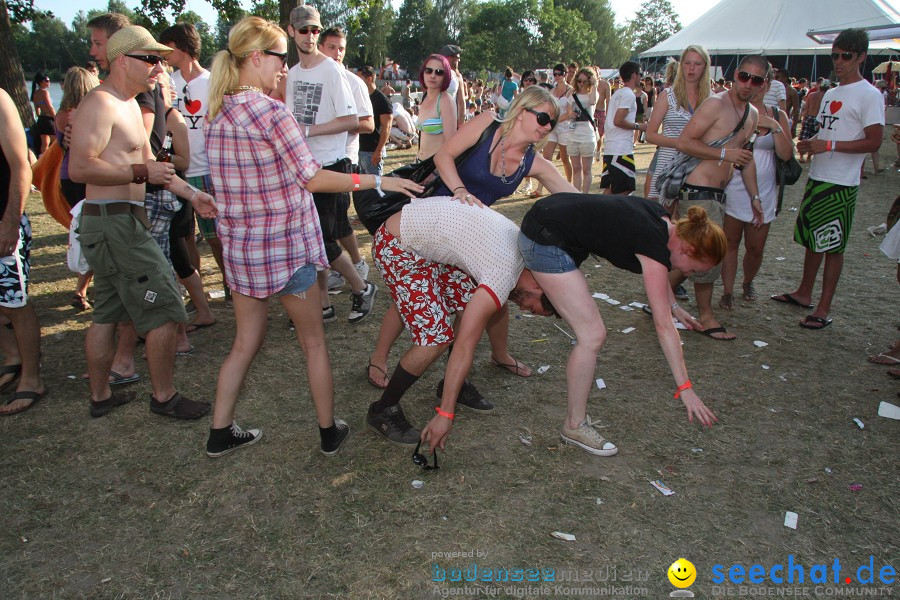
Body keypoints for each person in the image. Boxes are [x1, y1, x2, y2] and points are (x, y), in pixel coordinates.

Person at [202, 16, 423, 457]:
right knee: (313, 343)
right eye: (280, 58)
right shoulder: (271, 112)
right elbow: (312, 178)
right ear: (257, 58)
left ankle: (219, 432)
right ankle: (328, 431)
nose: (285, 68)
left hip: (244, 250)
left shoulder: (215, 112)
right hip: (285, 249)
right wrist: (377, 182)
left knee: (244, 343)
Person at [366, 86, 578, 388]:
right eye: (543, 118)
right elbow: (444, 156)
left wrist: (608, 213)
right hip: (430, 222)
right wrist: (460, 190)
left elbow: (573, 197)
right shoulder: (488, 124)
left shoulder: (533, 162)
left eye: (552, 123)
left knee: (482, 301)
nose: (546, 127)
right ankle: (379, 357)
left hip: (470, 239)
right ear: (521, 111)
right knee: (411, 299)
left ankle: (489, 360)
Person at [68, 25, 218, 419]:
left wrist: (193, 195)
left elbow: (155, 171)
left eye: (160, 59)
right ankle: (165, 397)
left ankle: (101, 397)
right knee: (168, 307)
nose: (159, 66)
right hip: (113, 222)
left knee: (108, 311)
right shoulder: (101, 104)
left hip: (119, 221)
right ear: (122, 61)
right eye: (150, 58)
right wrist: (139, 172)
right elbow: (81, 166)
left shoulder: (131, 105)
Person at [518, 194, 725, 453]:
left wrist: (673, 306)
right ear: (688, 249)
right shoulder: (653, 243)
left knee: (592, 334)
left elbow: (661, 275)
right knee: (592, 335)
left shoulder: (662, 220)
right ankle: (574, 425)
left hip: (549, 221)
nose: (688, 274)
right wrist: (685, 388)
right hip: (544, 239)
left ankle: (575, 422)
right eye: (693, 269)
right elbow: (663, 326)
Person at [368, 198, 556, 448]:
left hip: (429, 243)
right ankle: (383, 409)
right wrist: (445, 414)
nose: (522, 308)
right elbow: (466, 344)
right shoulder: (502, 274)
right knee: (435, 339)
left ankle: (452, 383)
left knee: (471, 308)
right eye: (530, 306)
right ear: (537, 286)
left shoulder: (527, 257)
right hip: (398, 245)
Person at [774, 28, 884, 330]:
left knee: (833, 245)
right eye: (835, 55)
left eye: (846, 56)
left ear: (861, 56)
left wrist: (829, 145)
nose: (839, 61)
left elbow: (874, 141)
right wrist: (812, 143)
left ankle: (823, 307)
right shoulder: (832, 93)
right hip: (821, 175)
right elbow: (832, 132)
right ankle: (804, 293)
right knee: (813, 240)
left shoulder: (870, 95)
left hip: (842, 183)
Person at [285, 5, 377, 325]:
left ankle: (362, 287)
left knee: (323, 240)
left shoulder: (332, 71)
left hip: (332, 165)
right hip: (303, 168)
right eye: (303, 30)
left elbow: (354, 120)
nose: (309, 36)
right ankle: (323, 304)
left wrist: (309, 130)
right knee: (313, 240)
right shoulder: (292, 74)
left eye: (314, 30)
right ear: (291, 32)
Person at [668, 55, 766, 342]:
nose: (748, 84)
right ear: (736, 75)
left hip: (719, 193)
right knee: (706, 256)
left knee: (695, 259)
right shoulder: (715, 104)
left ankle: (659, 295)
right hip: (698, 189)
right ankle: (706, 316)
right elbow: (685, 142)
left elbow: (745, 160)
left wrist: (755, 196)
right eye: (745, 76)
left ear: (762, 85)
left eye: (756, 80)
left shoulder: (752, 115)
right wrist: (724, 154)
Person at [160, 22, 230, 309]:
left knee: (215, 236)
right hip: (177, 171)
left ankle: (231, 286)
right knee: (184, 236)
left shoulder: (213, 82)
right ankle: (195, 290)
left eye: (169, 48)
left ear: (184, 48)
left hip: (209, 170)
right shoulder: (166, 82)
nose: (164, 54)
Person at [719, 65, 794, 309]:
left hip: (765, 188)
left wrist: (773, 125)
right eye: (747, 78)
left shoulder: (777, 115)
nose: (753, 85)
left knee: (755, 246)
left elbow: (785, 154)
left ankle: (748, 281)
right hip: (734, 185)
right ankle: (727, 291)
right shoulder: (735, 110)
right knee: (729, 242)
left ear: (767, 85)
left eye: (759, 81)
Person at [316, 26, 375, 293]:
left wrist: (335, 125)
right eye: (332, 47)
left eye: (341, 48)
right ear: (320, 47)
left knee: (335, 220)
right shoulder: (311, 77)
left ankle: (356, 266)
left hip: (343, 158)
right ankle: (349, 265)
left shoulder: (353, 82)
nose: (337, 53)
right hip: (315, 160)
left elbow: (368, 124)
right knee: (334, 222)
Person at [0, 89, 47, 416]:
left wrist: (9, 222)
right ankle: (11, 355)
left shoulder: (0, 100)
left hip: (2, 219)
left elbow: (21, 166)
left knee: (14, 301)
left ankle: (31, 378)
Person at [55, 67, 100, 311]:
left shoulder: (62, 114)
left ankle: (82, 288)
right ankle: (83, 289)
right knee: (92, 233)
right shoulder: (84, 114)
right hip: (85, 176)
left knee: (81, 231)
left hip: (67, 177)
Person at [647, 46, 711, 204]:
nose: (691, 68)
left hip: (698, 165)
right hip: (668, 162)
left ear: (705, 66)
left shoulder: (712, 100)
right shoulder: (667, 96)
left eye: (697, 64)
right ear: (681, 65)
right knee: (664, 219)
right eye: (687, 62)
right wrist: (681, 144)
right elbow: (650, 134)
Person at [601, 61, 646, 195]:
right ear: (634, 75)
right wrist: (639, 126)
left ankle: (598, 215)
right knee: (625, 189)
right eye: (640, 74)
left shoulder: (618, 93)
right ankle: (614, 215)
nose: (641, 78)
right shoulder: (628, 95)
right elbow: (618, 120)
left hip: (611, 148)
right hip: (621, 150)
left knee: (610, 189)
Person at [532, 64, 573, 197]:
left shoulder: (570, 90)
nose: (557, 76)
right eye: (555, 74)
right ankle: (540, 188)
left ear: (565, 74)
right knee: (547, 157)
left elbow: (569, 113)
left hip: (564, 127)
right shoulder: (552, 90)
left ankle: (569, 185)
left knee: (565, 158)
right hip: (552, 127)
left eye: (560, 73)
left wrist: (556, 121)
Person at [415, 53, 457, 161]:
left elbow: (451, 146)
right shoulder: (425, 97)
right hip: (419, 163)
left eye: (439, 72)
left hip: (435, 169)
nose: (433, 75)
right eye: (428, 70)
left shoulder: (445, 101)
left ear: (446, 75)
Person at [568, 67, 599, 194]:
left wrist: (594, 85)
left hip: (587, 134)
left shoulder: (593, 94)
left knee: (586, 169)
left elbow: (592, 102)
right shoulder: (572, 95)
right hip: (573, 133)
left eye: (584, 81)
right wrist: (571, 114)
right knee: (576, 168)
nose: (581, 84)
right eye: (579, 81)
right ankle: (576, 193)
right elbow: (569, 110)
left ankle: (585, 194)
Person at [357, 65, 392, 176]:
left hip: (372, 151)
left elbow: (387, 127)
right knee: (360, 189)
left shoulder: (382, 100)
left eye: (359, 78)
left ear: (369, 79)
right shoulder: (360, 97)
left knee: (374, 188)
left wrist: (379, 150)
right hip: (358, 149)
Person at [797, 79, 827, 163]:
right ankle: (808, 157)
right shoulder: (826, 97)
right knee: (813, 139)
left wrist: (803, 118)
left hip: (808, 117)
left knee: (804, 138)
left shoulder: (811, 95)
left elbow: (806, 107)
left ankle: (801, 156)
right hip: (817, 119)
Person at [438, 44, 467, 127]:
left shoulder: (457, 76)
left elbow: (461, 103)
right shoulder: (435, 73)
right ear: (450, 58)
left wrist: (460, 125)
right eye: (457, 58)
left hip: (450, 122)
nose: (459, 60)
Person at [30, 73, 56, 156]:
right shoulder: (45, 92)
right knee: (57, 142)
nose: (49, 82)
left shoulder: (35, 93)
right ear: (41, 82)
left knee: (45, 143)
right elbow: (50, 107)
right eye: (47, 81)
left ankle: (42, 159)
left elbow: (36, 108)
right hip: (48, 119)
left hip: (41, 119)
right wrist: (55, 118)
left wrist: (39, 117)